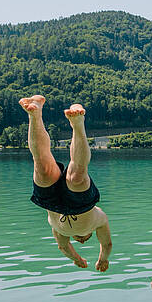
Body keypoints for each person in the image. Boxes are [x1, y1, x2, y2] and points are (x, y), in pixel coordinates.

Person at [19, 95, 111, 271]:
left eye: (79, 240)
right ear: (88, 234)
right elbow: (106, 244)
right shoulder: (98, 220)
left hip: (51, 203)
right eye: (85, 239)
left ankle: (35, 113)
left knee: (42, 167)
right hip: (82, 205)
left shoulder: (60, 232)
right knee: (77, 175)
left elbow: (63, 247)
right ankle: (77, 123)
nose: (82, 239)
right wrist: (103, 259)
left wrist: (76, 259)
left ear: (75, 239)